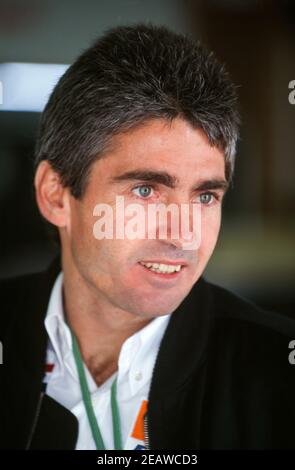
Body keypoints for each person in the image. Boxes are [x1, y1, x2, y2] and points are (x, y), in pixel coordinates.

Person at [1, 23, 295, 451]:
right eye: (146, 190)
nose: (183, 234)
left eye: (206, 195)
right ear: (56, 195)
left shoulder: (278, 376)